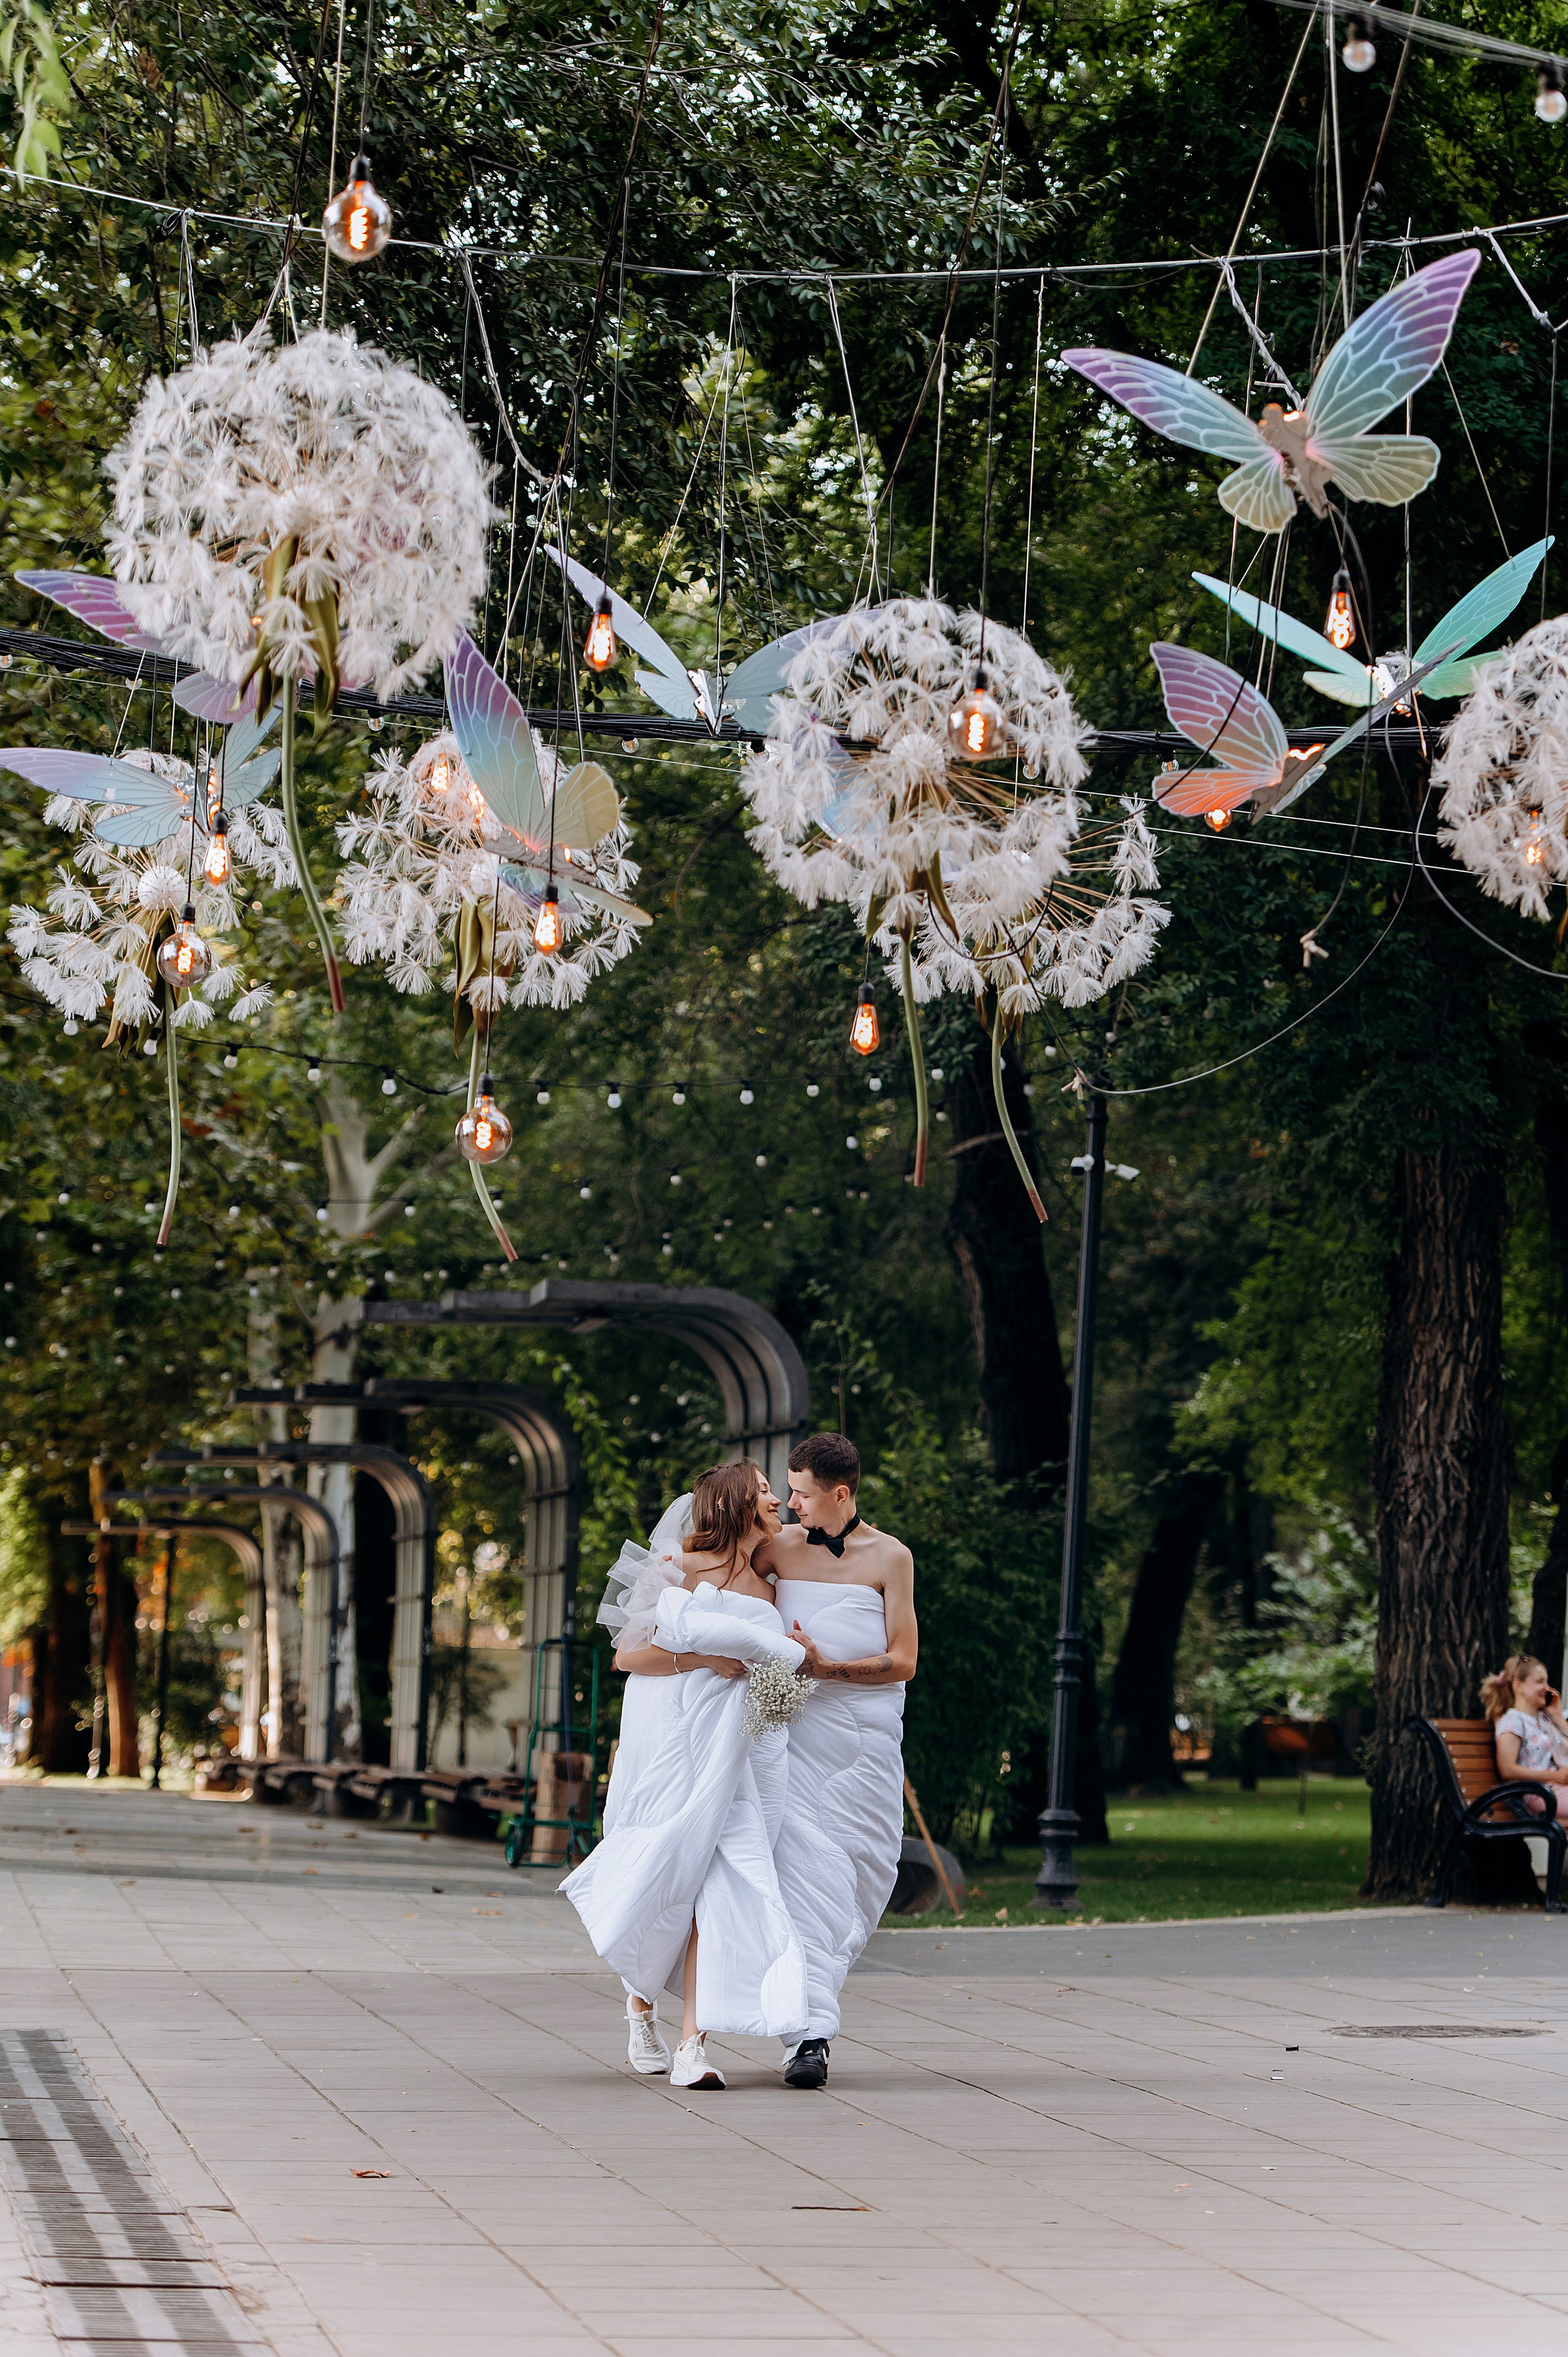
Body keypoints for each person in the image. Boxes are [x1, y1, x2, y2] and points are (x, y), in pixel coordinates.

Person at [561, 1463, 809, 2091]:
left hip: (744, 1755)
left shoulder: (770, 1589)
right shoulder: (676, 1567)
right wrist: (702, 1657)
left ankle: (692, 2045)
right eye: (763, 1491)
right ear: (734, 1504)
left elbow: (772, 1668)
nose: (776, 1499)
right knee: (665, 1875)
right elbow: (628, 1655)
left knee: (718, 1898)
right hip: (676, 1744)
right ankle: (640, 2007)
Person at [754, 1431, 916, 2091]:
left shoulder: (891, 1556)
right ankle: (809, 2035)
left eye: (801, 1493)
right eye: (786, 1490)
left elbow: (903, 1658)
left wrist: (831, 1667)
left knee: (863, 1873)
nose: (791, 1504)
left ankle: (811, 2015)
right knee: (801, 1880)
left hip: (868, 1744)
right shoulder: (777, 1549)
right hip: (794, 1744)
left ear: (840, 1492)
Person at [1482, 1653, 1568, 1812]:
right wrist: (1553, 1776)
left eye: (1546, 1681)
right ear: (1518, 1686)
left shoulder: (1545, 1718)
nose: (1547, 1688)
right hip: (1540, 1794)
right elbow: (1507, 1769)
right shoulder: (1513, 1720)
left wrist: (1558, 1716)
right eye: (1539, 1682)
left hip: (1559, 1789)